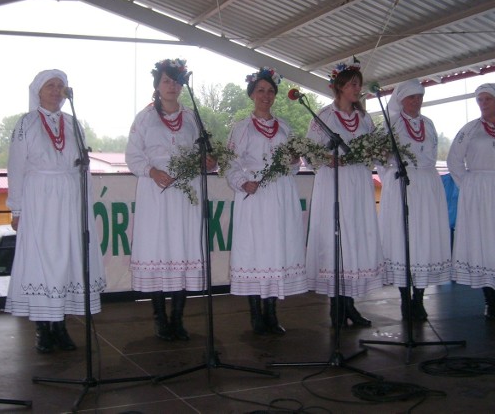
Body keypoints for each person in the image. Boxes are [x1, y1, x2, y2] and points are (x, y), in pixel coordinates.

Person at [5, 69, 106, 353]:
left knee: (66, 259)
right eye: (50, 86)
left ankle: (60, 325)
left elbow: (82, 163)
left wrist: (85, 202)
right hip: (40, 198)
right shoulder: (25, 123)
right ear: (37, 91)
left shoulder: (73, 123)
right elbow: (16, 167)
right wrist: (16, 208)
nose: (55, 90)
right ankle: (43, 330)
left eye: (60, 86)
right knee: (43, 260)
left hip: (70, 198)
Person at [126, 58, 215, 341]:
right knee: (158, 250)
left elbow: (204, 153)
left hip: (186, 195)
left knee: (183, 249)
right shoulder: (144, 118)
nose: (172, 86)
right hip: (156, 192)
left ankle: (178, 318)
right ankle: (160, 319)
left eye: (176, 81)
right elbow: (133, 155)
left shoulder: (191, 118)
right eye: (166, 80)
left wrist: (208, 161)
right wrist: (151, 171)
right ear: (157, 84)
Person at [225, 67, 307, 335]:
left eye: (270, 91)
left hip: (281, 194)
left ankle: (272, 312)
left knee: (277, 249)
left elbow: (294, 164)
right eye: (260, 90)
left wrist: (295, 161)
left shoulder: (285, 126)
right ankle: (255, 315)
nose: (266, 95)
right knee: (255, 250)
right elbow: (229, 164)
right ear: (251, 94)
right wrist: (242, 182)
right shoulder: (241, 128)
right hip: (255, 195)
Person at [305, 59, 383, 327]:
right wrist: (326, 159)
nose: (357, 88)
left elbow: (375, 148)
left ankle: (350, 305)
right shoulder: (323, 117)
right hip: (334, 182)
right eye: (352, 84)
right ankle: (336, 307)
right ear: (339, 86)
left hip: (359, 183)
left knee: (355, 240)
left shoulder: (364, 118)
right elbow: (309, 152)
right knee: (336, 239)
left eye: (359, 84)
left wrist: (371, 153)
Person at [447, 83, 495, 321]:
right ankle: (490, 300)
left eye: (487, 99)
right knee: (485, 242)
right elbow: (454, 161)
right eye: (479, 100)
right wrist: (470, 187)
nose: (482, 104)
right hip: (480, 194)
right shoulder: (469, 130)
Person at [378, 79, 452, 320]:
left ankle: (419, 298)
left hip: (427, 186)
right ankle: (403, 298)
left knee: (425, 238)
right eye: (411, 97)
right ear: (400, 100)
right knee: (403, 238)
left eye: (419, 97)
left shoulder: (428, 123)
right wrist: (391, 177)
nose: (416, 101)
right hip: (401, 183)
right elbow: (380, 159)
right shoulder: (391, 124)